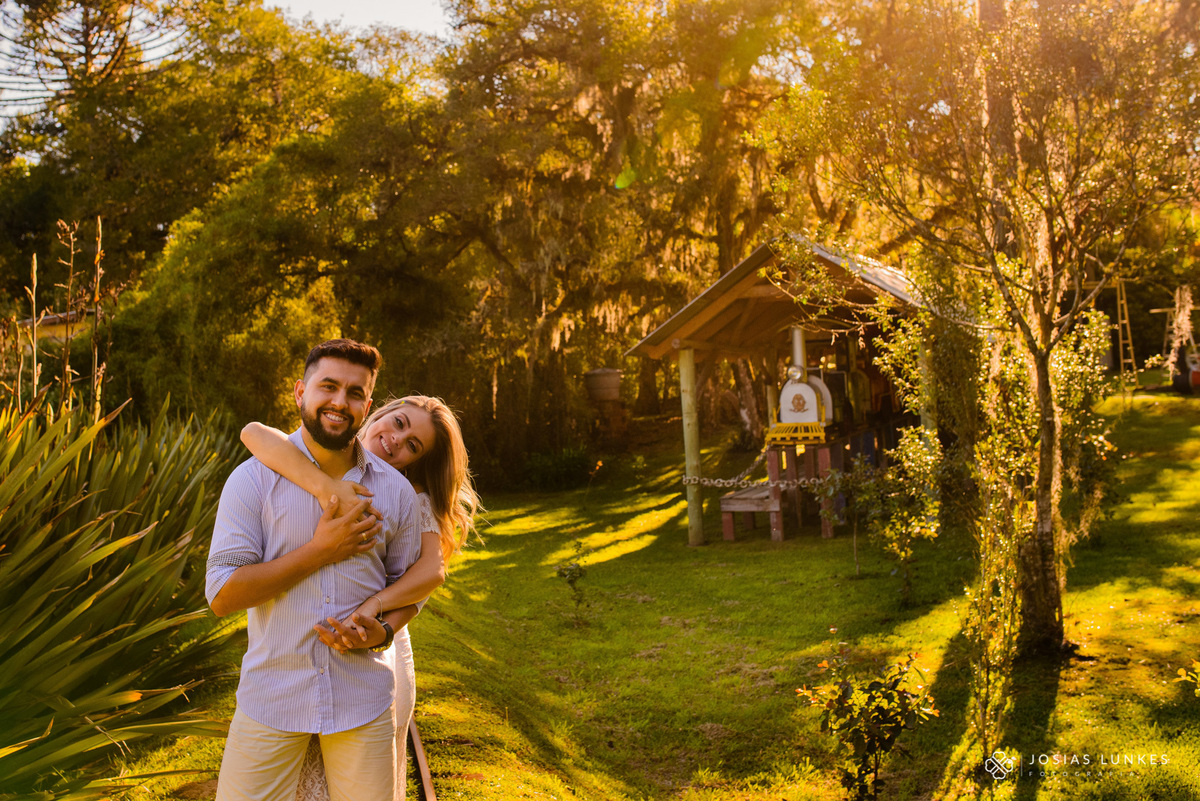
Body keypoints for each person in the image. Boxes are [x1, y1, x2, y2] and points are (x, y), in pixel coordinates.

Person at [206, 339, 423, 801]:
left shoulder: (396, 493)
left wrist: (382, 630)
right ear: (300, 392)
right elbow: (222, 596)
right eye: (329, 386)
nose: (339, 402)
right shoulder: (252, 481)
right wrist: (319, 552)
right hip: (271, 698)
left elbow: (407, 591)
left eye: (354, 393)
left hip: (362, 700)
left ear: (368, 404)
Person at [240, 394, 481, 801]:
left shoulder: (407, 492)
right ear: (381, 411)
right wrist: (329, 487)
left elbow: (430, 570)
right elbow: (253, 433)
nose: (396, 442)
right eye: (399, 423)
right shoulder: (306, 455)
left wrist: (375, 609)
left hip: (372, 649)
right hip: (291, 652)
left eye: (412, 446)